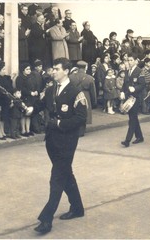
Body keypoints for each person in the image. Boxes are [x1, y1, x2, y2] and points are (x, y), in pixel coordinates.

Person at [33, 57, 86, 234]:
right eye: (53, 69)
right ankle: (77, 208)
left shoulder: (75, 91)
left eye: (56, 69)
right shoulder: (50, 90)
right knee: (65, 174)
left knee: (56, 178)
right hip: (52, 140)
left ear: (66, 71)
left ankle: (46, 219)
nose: (52, 71)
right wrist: (27, 108)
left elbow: (80, 118)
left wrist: (59, 125)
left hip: (67, 141)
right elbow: (39, 106)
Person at [120, 54, 145, 147]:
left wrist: (135, 88)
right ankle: (140, 136)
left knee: (132, 119)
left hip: (136, 98)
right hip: (128, 97)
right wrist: (122, 91)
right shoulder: (127, 71)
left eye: (131, 60)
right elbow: (124, 84)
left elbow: (142, 85)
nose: (129, 62)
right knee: (133, 117)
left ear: (135, 61)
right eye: (128, 60)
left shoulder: (139, 71)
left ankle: (127, 140)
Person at [69, 60, 97, 137]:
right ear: (85, 67)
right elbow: (93, 92)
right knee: (84, 112)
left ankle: (75, 129)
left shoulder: (71, 77)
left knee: (75, 111)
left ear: (77, 67)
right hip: (85, 96)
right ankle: (81, 131)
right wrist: (94, 102)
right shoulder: (90, 78)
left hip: (74, 95)